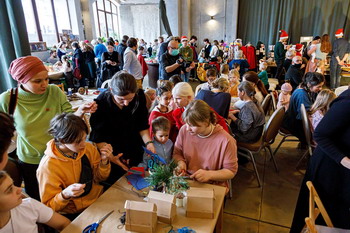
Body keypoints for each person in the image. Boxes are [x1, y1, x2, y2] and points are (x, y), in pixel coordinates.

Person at [0, 56, 97, 200]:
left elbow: (69, 121)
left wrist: (81, 111)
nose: (44, 84)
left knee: (64, 197)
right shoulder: (8, 99)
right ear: (21, 80)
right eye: (37, 81)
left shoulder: (54, 92)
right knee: (38, 199)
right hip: (31, 160)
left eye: (46, 79)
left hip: (59, 156)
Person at [290, 88, 350, 232]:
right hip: (331, 168)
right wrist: (346, 161)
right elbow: (321, 135)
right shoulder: (347, 102)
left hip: (339, 167)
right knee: (329, 216)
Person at [37, 113, 111, 219]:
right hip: (73, 213)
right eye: (78, 142)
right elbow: (49, 206)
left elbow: (100, 178)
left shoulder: (88, 148)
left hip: (97, 202)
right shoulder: (48, 167)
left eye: (84, 138)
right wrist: (65, 194)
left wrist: (104, 161)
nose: (83, 144)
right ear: (62, 140)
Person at [89, 72, 155, 187]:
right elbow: (98, 138)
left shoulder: (139, 97)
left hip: (134, 148)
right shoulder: (101, 104)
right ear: (111, 90)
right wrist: (112, 158)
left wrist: (149, 143)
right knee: (116, 188)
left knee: (137, 185)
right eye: (121, 99)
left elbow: (142, 126)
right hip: (111, 152)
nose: (126, 103)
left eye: (130, 99)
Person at [173, 99, 238, 188]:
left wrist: (210, 175)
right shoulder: (184, 130)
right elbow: (177, 153)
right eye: (187, 123)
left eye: (192, 125)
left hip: (211, 185)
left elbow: (231, 171)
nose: (187, 128)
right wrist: (181, 163)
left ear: (206, 122)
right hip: (186, 180)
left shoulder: (226, 141)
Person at [0, 171, 71, 233]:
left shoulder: (29, 205)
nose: (20, 189)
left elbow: (64, 223)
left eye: (13, 184)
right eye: (9, 190)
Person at [282, 72, 325, 144]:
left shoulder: (304, 89)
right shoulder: (301, 94)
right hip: (293, 124)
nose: (320, 89)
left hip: (294, 121)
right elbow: (304, 115)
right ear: (309, 84)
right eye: (318, 86)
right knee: (323, 132)